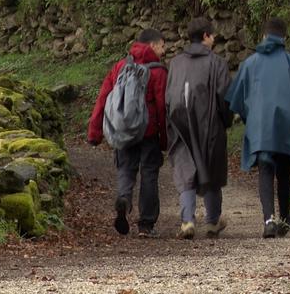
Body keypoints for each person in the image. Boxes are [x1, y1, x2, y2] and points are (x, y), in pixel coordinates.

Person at [225, 18, 290, 238]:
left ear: (263, 36)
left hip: (260, 129)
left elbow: (236, 100)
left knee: (265, 169)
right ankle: (283, 218)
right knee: (283, 172)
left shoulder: (250, 64)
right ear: (284, 38)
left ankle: (268, 219)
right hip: (287, 129)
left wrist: (251, 120)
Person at [87, 28, 168, 238]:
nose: (163, 50)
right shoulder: (158, 72)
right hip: (148, 130)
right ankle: (146, 224)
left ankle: (124, 198)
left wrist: (94, 132)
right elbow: (162, 107)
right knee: (149, 174)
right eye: (161, 46)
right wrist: (164, 138)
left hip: (123, 129)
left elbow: (104, 98)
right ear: (152, 45)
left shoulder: (121, 66)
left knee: (125, 169)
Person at [166, 18, 233, 240]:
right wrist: (226, 119)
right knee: (211, 168)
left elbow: (168, 96)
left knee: (185, 168)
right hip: (209, 122)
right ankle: (213, 221)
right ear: (206, 36)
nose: (214, 39)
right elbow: (224, 96)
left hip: (180, 122)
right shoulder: (217, 63)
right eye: (212, 35)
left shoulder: (175, 63)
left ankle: (187, 220)